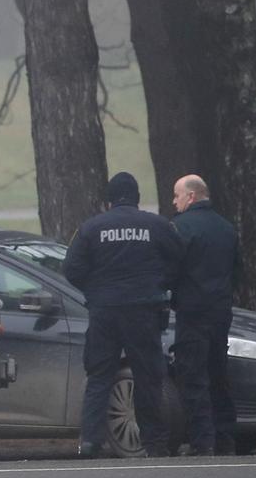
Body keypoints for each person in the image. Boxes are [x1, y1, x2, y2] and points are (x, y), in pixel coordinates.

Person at [63, 172, 181, 458]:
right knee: (148, 377)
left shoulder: (91, 228)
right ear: (138, 198)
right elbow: (179, 261)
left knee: (100, 375)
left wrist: (97, 290)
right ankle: (153, 442)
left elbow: (72, 269)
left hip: (104, 312)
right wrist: (158, 285)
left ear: (108, 201)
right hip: (144, 310)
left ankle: (90, 442)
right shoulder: (158, 225)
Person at [171, 174, 241, 456]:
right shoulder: (227, 229)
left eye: (176, 195)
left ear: (191, 196)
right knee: (218, 375)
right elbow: (238, 272)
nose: (173, 201)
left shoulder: (180, 228)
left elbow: (171, 270)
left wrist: (173, 297)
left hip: (192, 313)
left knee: (193, 377)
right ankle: (226, 439)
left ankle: (202, 442)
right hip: (221, 313)